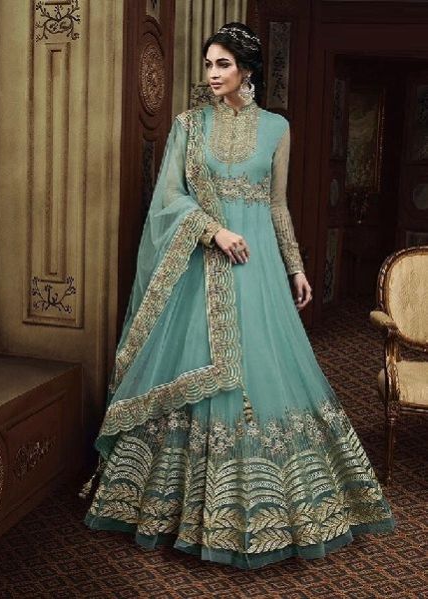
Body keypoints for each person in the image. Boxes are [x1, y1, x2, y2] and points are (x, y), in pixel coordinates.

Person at [82, 22, 394, 569]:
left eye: (223, 64)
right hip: (201, 268)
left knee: (266, 370)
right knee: (196, 367)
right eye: (208, 64)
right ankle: (173, 512)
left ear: (247, 69)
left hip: (258, 270)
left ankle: (275, 516)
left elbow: (276, 204)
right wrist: (213, 231)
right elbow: (168, 197)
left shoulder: (276, 129)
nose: (213, 74)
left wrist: (295, 266)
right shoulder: (188, 125)